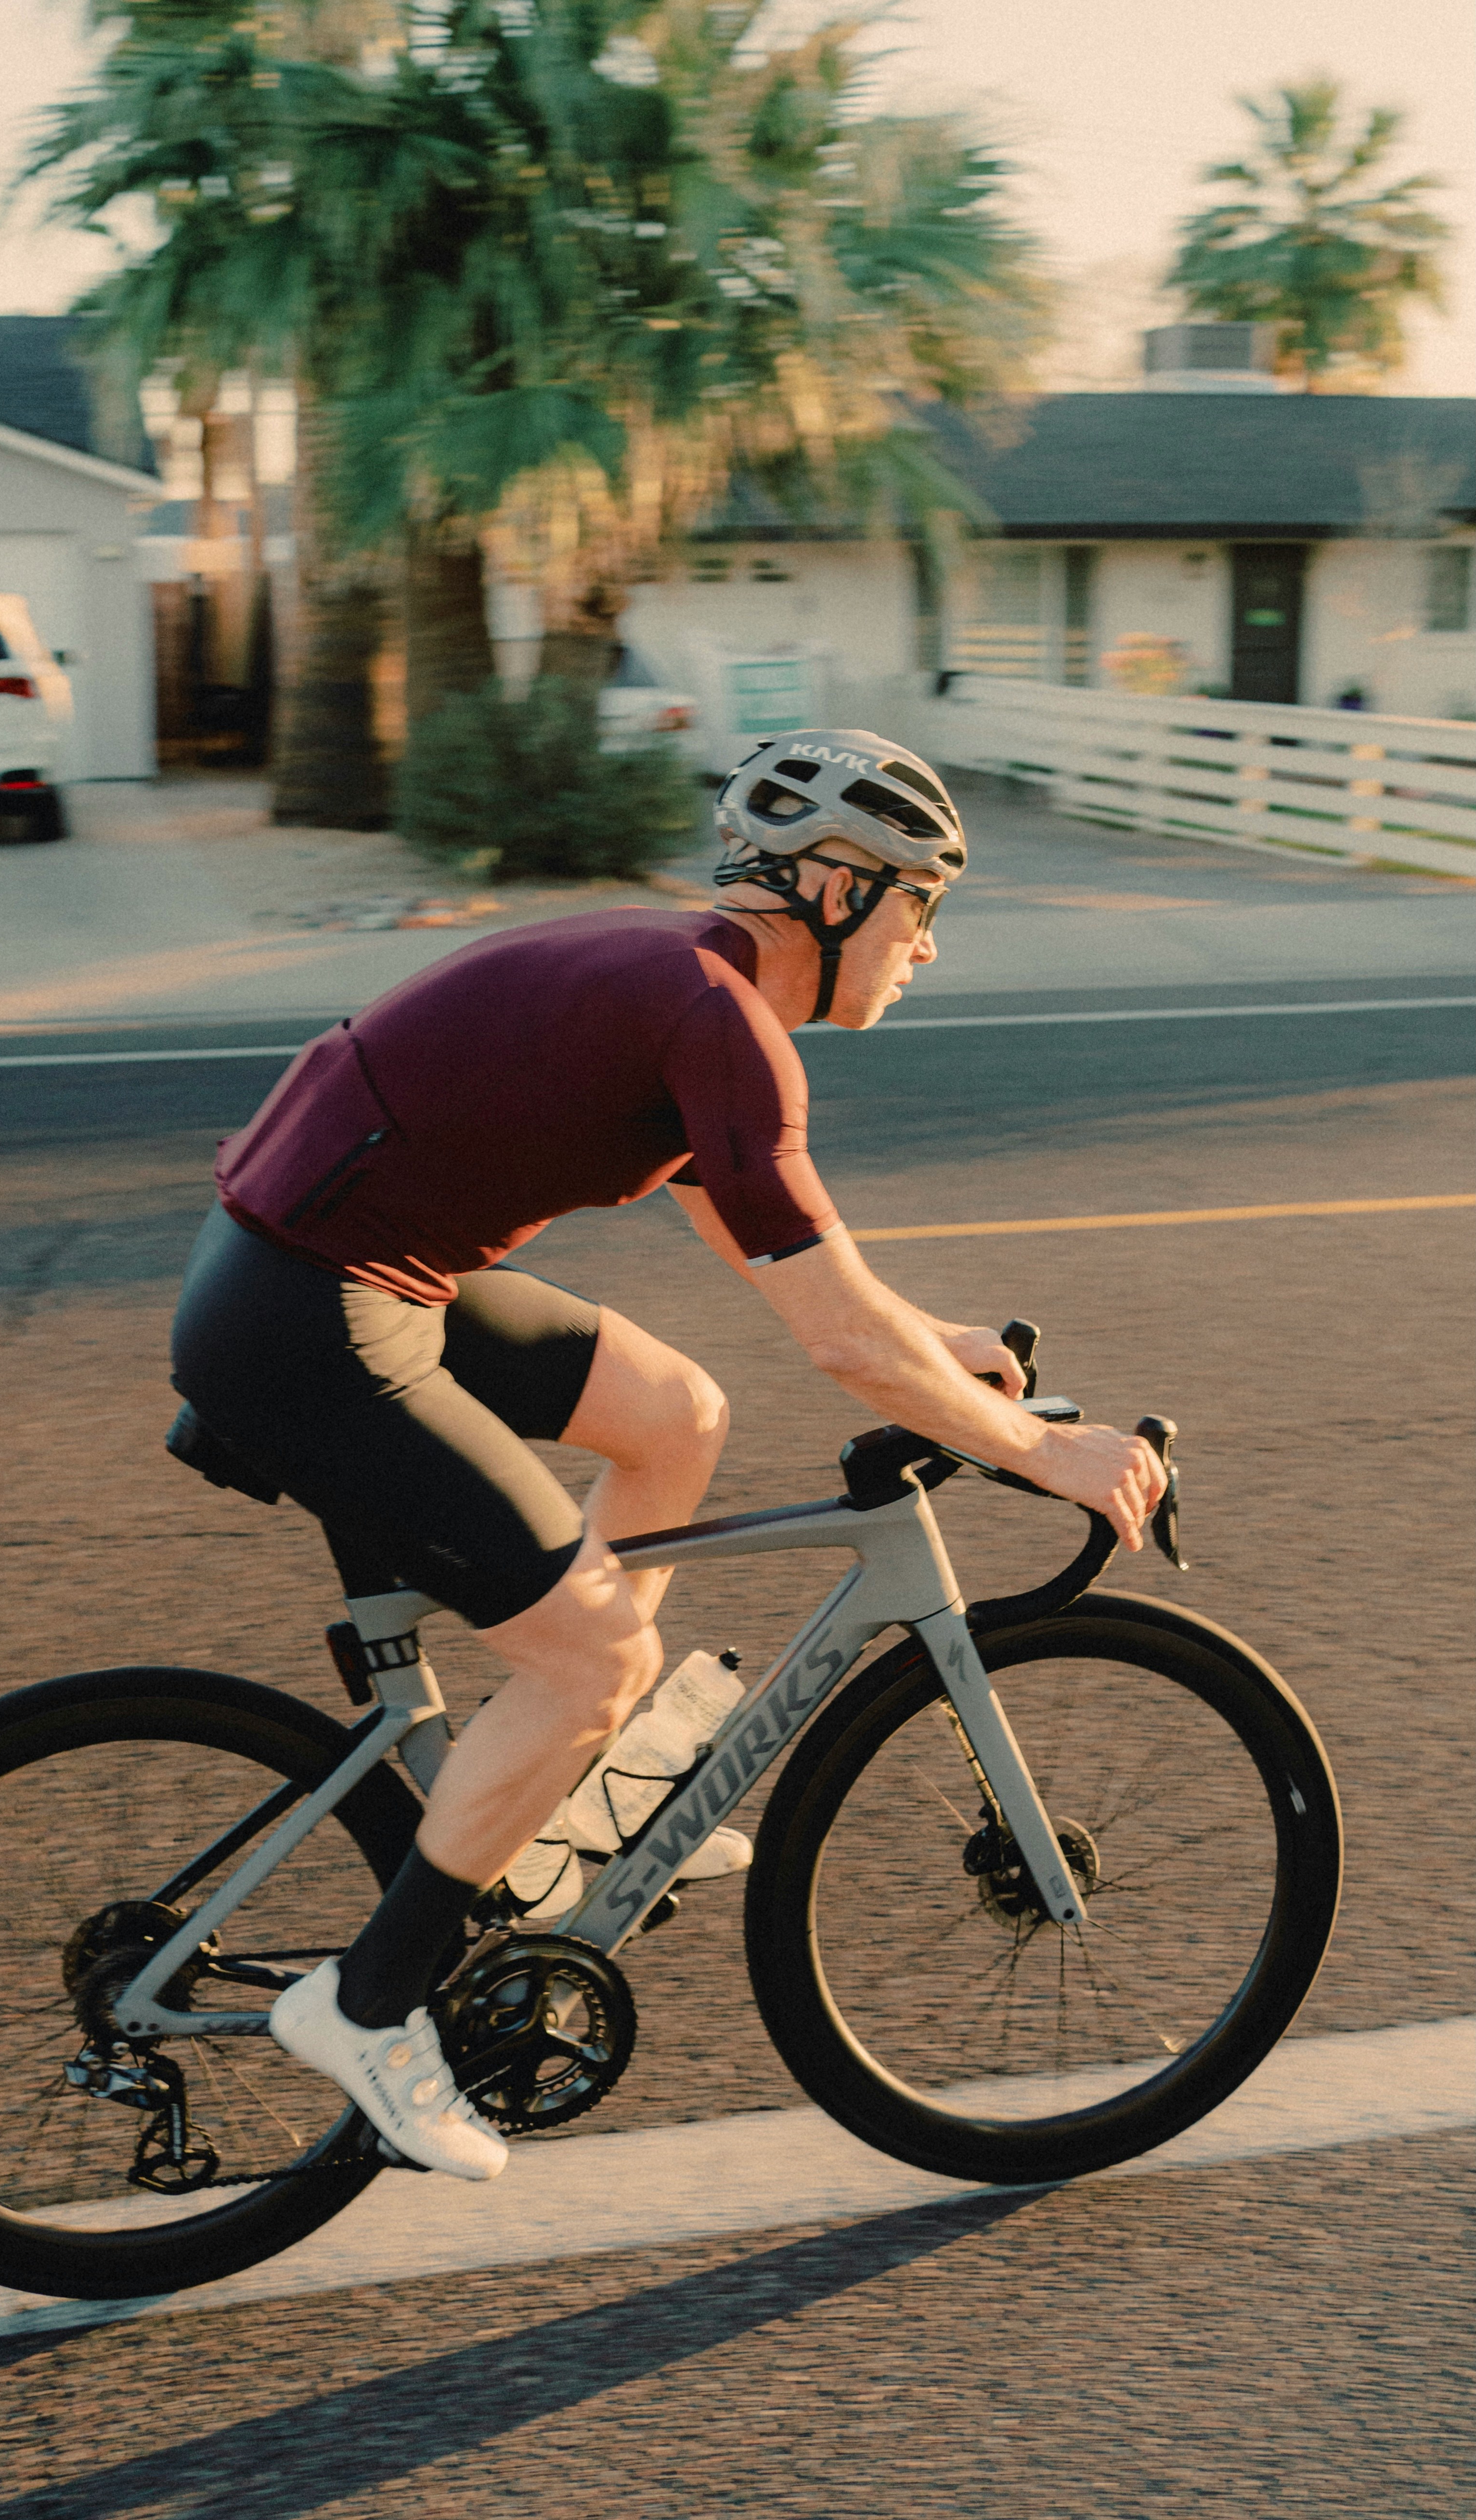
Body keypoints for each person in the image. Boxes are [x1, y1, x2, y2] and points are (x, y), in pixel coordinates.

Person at [169, 728, 1166, 2182]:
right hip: (308, 1319)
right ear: (833, 887)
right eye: (919, 906)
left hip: (336, 1270)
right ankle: (367, 2004)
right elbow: (832, 1338)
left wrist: (927, 1337)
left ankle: (563, 1798)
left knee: (674, 1411)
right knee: (594, 1662)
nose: (927, 947)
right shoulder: (718, 1022)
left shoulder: (689, 993)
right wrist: (1042, 1451)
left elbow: (781, 1250)